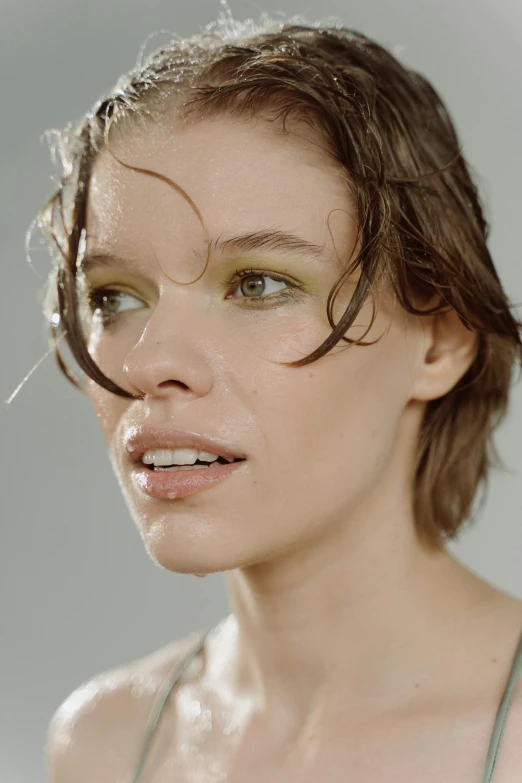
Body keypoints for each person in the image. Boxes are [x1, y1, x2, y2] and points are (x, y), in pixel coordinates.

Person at [38, 12, 522, 783]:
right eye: (113, 297)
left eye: (259, 283)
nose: (151, 360)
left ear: (440, 340)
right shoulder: (102, 745)